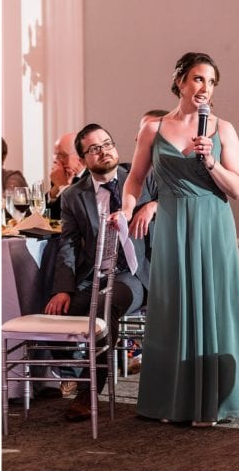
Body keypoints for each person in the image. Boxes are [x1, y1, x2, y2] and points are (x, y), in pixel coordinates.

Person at [122, 53, 239, 425]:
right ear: (180, 80)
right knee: (173, 307)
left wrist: (211, 162)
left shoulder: (223, 129)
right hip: (173, 222)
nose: (204, 89)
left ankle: (214, 402)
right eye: (198, 79)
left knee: (214, 304)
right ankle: (173, 400)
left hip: (213, 222)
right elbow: (134, 178)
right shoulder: (153, 128)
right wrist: (127, 207)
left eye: (211, 82)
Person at [44, 123, 157, 421]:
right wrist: (63, 289)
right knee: (56, 311)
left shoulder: (141, 176)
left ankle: (90, 391)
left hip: (133, 275)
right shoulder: (73, 196)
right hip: (93, 277)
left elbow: (178, 196)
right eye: (94, 149)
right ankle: (72, 375)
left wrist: (152, 205)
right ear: (83, 159)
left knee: (107, 308)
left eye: (107, 144)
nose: (103, 151)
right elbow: (66, 244)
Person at [45, 131, 86, 218]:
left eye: (61, 156)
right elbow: (46, 217)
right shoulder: (60, 175)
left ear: (80, 156)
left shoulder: (91, 177)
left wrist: (63, 186)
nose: (56, 161)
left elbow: (64, 217)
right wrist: (55, 190)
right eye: (55, 156)